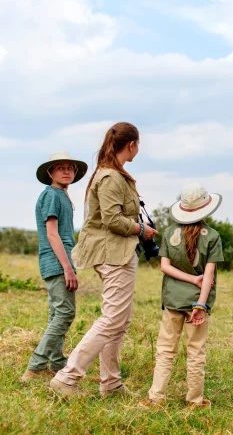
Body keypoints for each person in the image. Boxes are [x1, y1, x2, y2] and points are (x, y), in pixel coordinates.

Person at [50, 122, 158, 398]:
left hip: (117, 252)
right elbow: (112, 220)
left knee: (120, 320)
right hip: (113, 254)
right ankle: (67, 377)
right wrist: (142, 230)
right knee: (113, 319)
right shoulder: (110, 177)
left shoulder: (114, 174)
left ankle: (111, 384)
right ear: (132, 145)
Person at [140, 183, 223, 409]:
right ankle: (195, 400)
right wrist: (201, 305)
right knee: (196, 351)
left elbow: (164, 267)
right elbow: (208, 276)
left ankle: (156, 397)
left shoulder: (169, 233)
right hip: (197, 301)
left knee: (165, 349)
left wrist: (187, 279)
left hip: (172, 300)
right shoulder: (213, 236)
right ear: (206, 208)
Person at [21, 152, 88, 383]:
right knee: (66, 313)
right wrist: (68, 268)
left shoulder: (61, 195)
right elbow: (52, 234)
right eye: (60, 168)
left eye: (70, 167)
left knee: (56, 314)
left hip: (59, 262)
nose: (66, 171)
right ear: (50, 172)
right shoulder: (51, 195)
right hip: (58, 262)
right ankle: (36, 365)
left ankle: (58, 362)